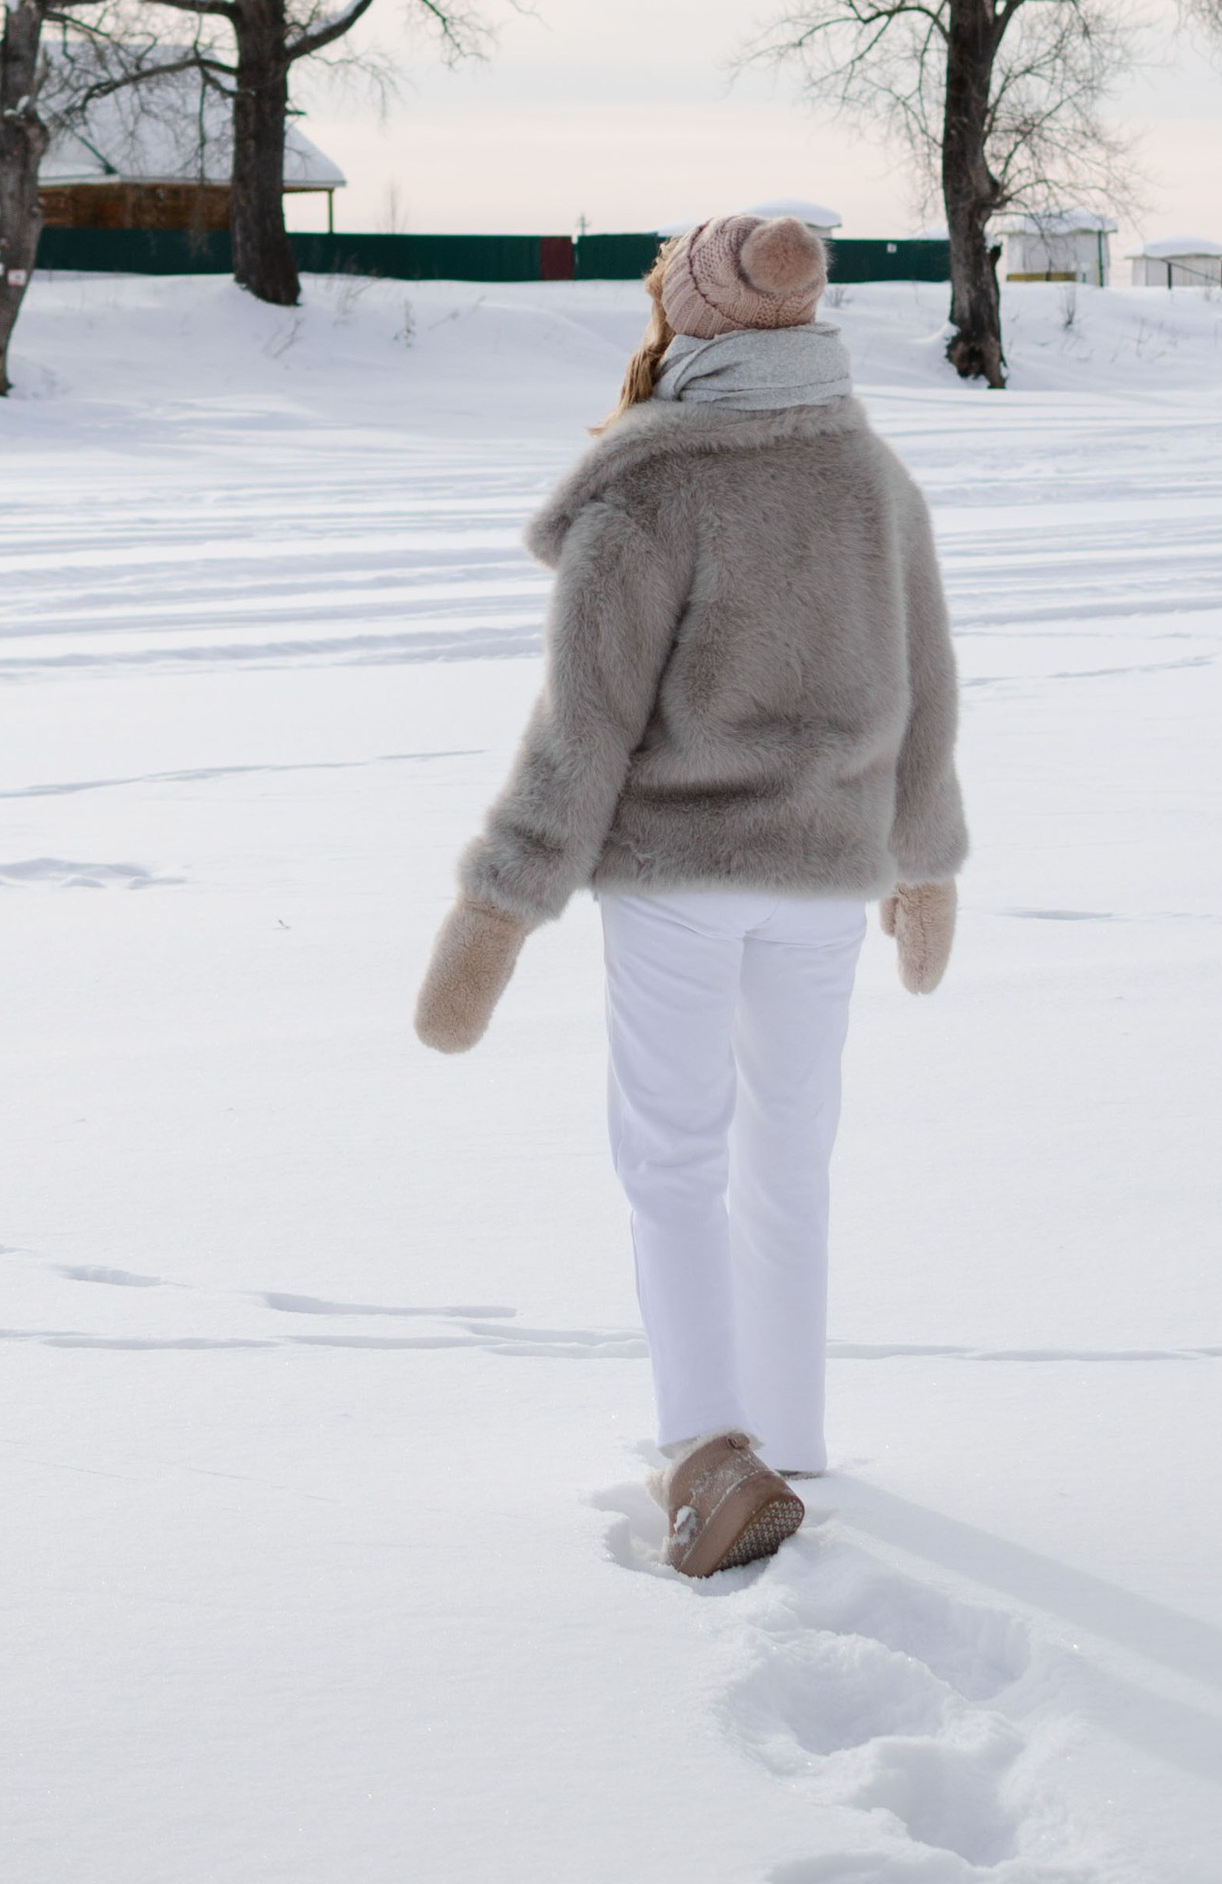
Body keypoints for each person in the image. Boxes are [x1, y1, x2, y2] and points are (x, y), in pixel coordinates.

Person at [413, 209, 966, 1580]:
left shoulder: (649, 483)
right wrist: (922, 855)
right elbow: (927, 688)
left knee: (672, 1160)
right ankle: (789, 1430)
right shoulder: (871, 473)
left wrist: (498, 904)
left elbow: (580, 729)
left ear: (692, 318)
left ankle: (708, 1456)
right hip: (825, 875)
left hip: (677, 874)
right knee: (791, 1151)